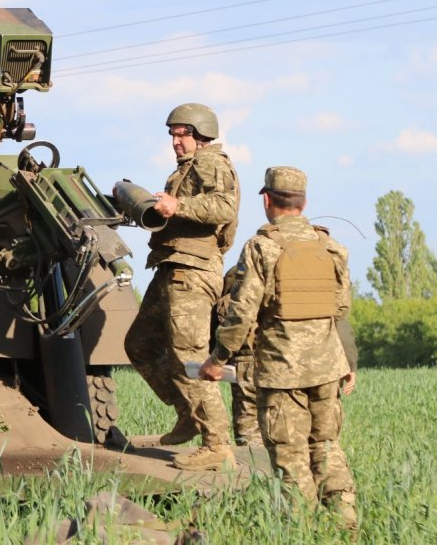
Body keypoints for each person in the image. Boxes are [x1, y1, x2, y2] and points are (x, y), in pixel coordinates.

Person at [200, 166, 358, 531]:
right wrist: (348, 361)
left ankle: (302, 533)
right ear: (303, 203)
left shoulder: (262, 247)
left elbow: (242, 311)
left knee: (290, 457)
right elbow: (342, 311)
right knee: (327, 447)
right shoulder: (333, 247)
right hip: (326, 370)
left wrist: (217, 358)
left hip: (281, 372)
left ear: (267, 200)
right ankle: (345, 525)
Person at [123, 102, 240, 471]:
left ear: (201, 135)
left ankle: (217, 444)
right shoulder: (188, 167)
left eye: (182, 134)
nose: (175, 141)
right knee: (139, 344)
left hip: (192, 270)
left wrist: (177, 206)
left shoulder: (211, 162)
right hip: (171, 266)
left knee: (191, 358)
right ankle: (189, 414)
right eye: (172, 134)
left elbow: (224, 206)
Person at [218, 263, 261, 447]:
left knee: (249, 425)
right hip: (289, 359)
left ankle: (256, 472)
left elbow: (224, 311)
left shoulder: (239, 273)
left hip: (247, 357)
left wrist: (217, 357)